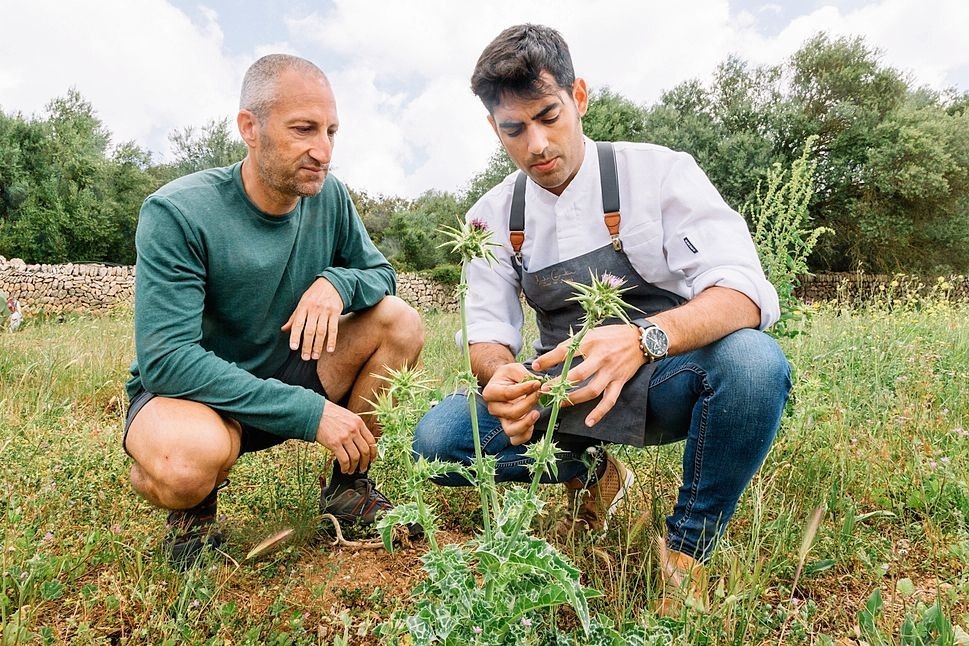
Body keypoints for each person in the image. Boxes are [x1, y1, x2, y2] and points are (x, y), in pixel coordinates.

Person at [412, 24, 791, 615]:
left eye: (549, 116)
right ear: (494, 128)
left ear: (579, 97)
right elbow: (486, 335)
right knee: (436, 442)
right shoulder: (492, 216)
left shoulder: (659, 173)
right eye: (514, 129)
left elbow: (744, 293)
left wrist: (644, 339)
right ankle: (592, 475)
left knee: (754, 363)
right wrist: (500, 376)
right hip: (560, 391)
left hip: (663, 378)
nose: (538, 145)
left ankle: (686, 553)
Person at [124, 54, 424, 569]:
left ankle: (348, 489)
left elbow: (381, 275)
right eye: (304, 129)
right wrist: (310, 413)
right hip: (197, 397)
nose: (323, 151)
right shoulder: (177, 212)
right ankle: (193, 511)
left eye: (331, 131)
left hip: (287, 367)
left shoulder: (329, 197)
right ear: (250, 127)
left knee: (400, 321)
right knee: (184, 464)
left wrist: (336, 284)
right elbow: (166, 360)